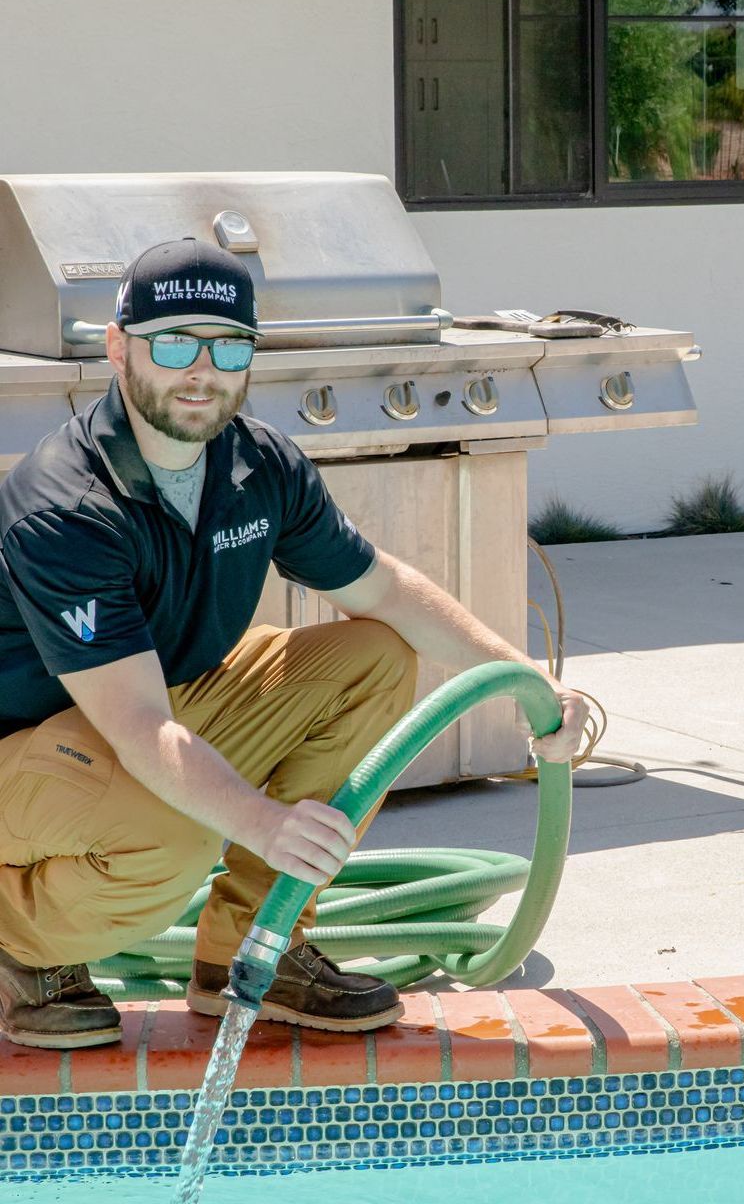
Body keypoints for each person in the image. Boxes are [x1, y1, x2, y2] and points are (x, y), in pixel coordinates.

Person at [0, 239, 587, 1050]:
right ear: (117, 345)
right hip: (27, 752)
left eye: (228, 345)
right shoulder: (67, 506)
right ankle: (19, 946)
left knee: (374, 656)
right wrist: (259, 820)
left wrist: (526, 681)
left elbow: (383, 589)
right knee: (177, 833)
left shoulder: (258, 463)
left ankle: (254, 951)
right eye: (174, 343)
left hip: (138, 713)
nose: (201, 369)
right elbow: (139, 725)